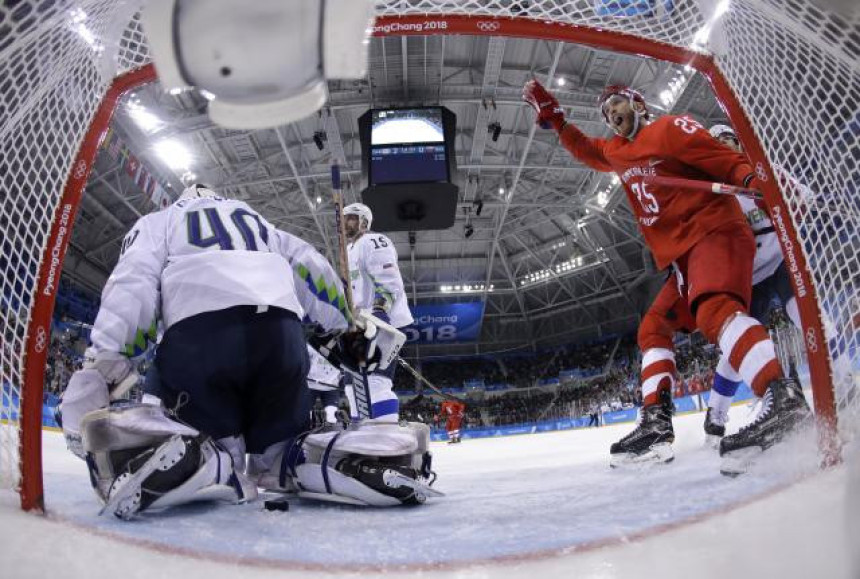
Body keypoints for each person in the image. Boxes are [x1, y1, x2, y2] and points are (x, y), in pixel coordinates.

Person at [58, 184, 433, 518]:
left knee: (216, 441)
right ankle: (347, 459)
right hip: (281, 338)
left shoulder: (160, 221)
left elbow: (132, 285)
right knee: (280, 453)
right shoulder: (257, 222)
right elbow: (310, 267)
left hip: (201, 339)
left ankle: (210, 460)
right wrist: (343, 324)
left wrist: (106, 363)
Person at [523, 80, 810, 475]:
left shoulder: (670, 128)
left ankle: (783, 399)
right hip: (681, 258)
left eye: (617, 104)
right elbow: (586, 149)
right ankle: (656, 424)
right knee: (652, 327)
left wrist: (751, 182)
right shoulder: (618, 151)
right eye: (606, 112)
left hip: (714, 232)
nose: (611, 115)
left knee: (716, 312)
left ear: (639, 105)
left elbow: (722, 158)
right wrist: (555, 120)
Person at [702, 124, 803, 446]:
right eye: (716, 144)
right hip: (749, 276)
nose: (723, 147)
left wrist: (790, 199)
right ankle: (715, 415)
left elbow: (801, 196)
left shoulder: (762, 169)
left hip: (781, 258)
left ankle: (843, 384)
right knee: (738, 346)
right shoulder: (710, 189)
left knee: (806, 314)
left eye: (727, 140)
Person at [342, 203, 414, 422]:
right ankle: (363, 436)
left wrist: (380, 313)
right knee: (352, 388)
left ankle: (386, 439)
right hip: (359, 324)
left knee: (375, 383)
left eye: (351, 218)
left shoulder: (374, 241)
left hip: (380, 322)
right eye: (343, 218)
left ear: (364, 221)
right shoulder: (348, 249)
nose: (345, 222)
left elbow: (389, 281)